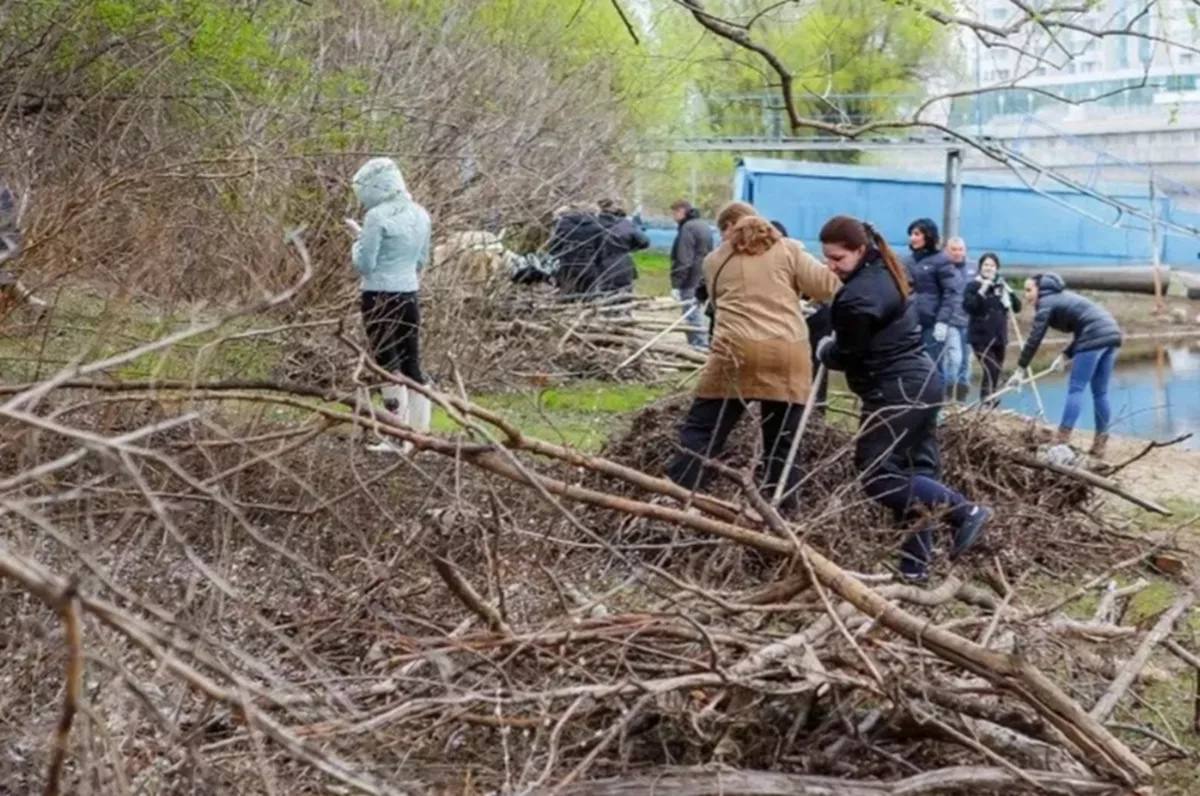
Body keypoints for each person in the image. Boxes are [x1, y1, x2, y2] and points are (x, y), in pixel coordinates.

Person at [816, 215, 992, 581]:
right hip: (924, 381)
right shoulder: (888, 269)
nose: (831, 266)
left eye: (837, 259)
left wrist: (825, 350)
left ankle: (965, 511)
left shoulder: (856, 297)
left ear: (859, 250)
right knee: (916, 473)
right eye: (827, 258)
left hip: (894, 389)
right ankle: (915, 570)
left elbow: (850, 353)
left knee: (876, 475)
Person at [665, 202, 841, 509]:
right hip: (788, 354)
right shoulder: (789, 250)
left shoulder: (715, 260)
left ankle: (681, 499)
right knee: (783, 445)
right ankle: (782, 515)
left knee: (703, 430)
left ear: (728, 228)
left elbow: (715, 303)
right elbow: (829, 287)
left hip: (735, 354)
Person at [349, 157, 433, 452]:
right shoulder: (421, 214)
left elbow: (365, 264)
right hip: (409, 293)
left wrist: (357, 242)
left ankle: (395, 435)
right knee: (412, 360)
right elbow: (423, 260)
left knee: (386, 363)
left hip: (378, 295)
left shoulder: (376, 217)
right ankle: (421, 433)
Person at [1008, 273, 1123, 458]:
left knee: (1076, 388)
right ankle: (1099, 445)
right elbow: (1084, 326)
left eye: (1029, 290)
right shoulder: (1062, 297)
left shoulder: (1046, 303)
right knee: (1100, 393)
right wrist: (1065, 355)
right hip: (1112, 334)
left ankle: (1062, 438)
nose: (1026, 295)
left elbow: (1034, 338)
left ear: (1040, 289)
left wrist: (1020, 369)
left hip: (1095, 336)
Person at [903, 218, 961, 378]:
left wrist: (942, 321)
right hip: (910, 322)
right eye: (911, 234)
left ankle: (936, 401)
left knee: (932, 366)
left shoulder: (941, 261)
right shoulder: (906, 261)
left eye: (917, 234)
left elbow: (950, 292)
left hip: (932, 323)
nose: (913, 238)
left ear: (928, 236)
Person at [962, 252, 1020, 401]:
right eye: (986, 265)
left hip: (999, 336)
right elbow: (970, 307)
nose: (989, 268)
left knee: (997, 370)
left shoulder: (1000, 287)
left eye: (992, 265)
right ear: (980, 267)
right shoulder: (973, 285)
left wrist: (1010, 292)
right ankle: (987, 401)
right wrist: (982, 290)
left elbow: (1017, 307)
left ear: (997, 268)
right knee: (990, 368)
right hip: (980, 337)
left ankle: (990, 402)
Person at [669, 199, 714, 350]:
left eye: (674, 212)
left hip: (690, 277)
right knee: (696, 310)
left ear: (681, 211)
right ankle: (701, 341)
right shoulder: (703, 225)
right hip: (703, 274)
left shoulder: (687, 228)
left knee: (690, 312)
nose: (673, 216)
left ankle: (698, 344)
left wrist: (676, 283)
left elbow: (684, 257)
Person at [547, 204, 606, 297]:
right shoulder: (597, 226)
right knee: (589, 296)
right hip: (589, 265)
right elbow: (601, 249)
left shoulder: (562, 224)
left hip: (567, 265)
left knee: (567, 296)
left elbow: (554, 247)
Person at [594, 198, 649, 297]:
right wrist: (630, 247)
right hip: (624, 266)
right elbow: (644, 242)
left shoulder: (594, 224)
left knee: (604, 298)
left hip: (602, 267)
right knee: (624, 298)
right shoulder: (625, 224)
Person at [944, 236, 974, 400]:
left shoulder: (973, 268)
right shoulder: (943, 268)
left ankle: (962, 399)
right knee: (954, 359)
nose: (957, 253)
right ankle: (949, 396)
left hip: (970, 322)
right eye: (953, 250)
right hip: (950, 322)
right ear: (947, 251)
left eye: (960, 249)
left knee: (967, 362)